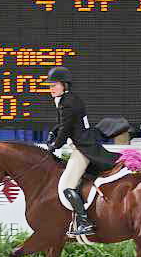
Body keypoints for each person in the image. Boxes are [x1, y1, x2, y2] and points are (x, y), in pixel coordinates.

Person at [45, 66, 120, 236]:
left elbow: (66, 129)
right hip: (83, 144)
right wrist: (53, 132)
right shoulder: (69, 99)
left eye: (54, 85)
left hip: (83, 149)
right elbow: (64, 124)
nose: (51, 88)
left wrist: (54, 146)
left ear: (64, 85)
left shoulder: (67, 103)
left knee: (65, 186)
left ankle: (84, 222)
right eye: (50, 85)